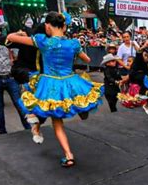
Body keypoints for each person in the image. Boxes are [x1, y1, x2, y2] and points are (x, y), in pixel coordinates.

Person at [6, 12, 104, 168]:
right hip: (69, 80)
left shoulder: (43, 41)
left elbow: (10, 38)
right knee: (79, 97)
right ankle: (80, 109)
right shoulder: (73, 43)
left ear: (47, 26)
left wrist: (20, 33)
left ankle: (69, 155)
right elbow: (88, 60)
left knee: (56, 121)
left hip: (50, 85)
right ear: (64, 26)